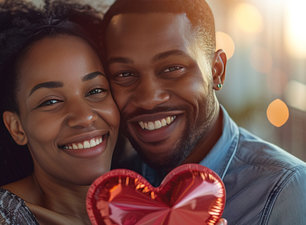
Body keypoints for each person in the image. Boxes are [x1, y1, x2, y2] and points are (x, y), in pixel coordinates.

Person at [103, 0, 306, 224]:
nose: (149, 99)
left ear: (216, 71)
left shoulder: (286, 191)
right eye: (124, 75)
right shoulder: (110, 190)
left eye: (172, 69)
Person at [0, 1, 120, 224]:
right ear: (17, 128)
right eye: (51, 101)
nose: (84, 116)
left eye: (96, 90)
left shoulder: (148, 192)